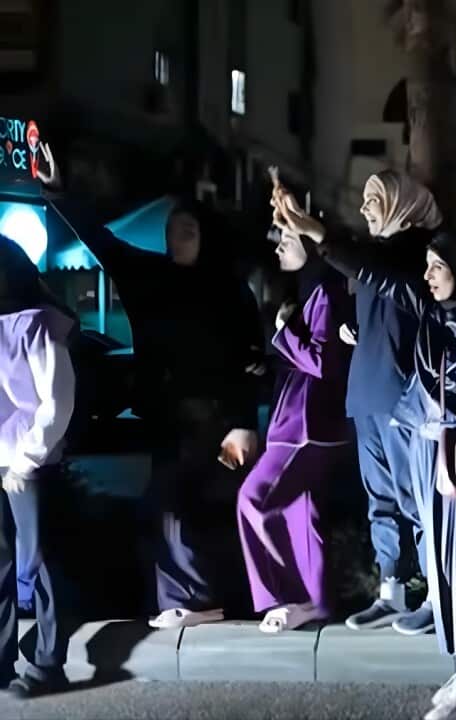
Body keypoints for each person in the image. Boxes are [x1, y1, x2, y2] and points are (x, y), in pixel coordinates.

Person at [275, 192, 456, 720]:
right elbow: (379, 277)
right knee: (452, 568)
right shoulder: (441, 311)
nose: (427, 276)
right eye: (426, 266)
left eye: (438, 267)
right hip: (440, 452)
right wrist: (318, 234)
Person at [40, 145, 263, 630]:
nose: (177, 239)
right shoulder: (151, 278)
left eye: (188, 231)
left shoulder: (228, 290)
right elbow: (102, 242)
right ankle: (183, 600)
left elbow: (251, 363)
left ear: (204, 236)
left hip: (216, 419)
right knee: (165, 509)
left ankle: (203, 600)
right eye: (172, 231)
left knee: (192, 508)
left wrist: (244, 422)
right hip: (166, 414)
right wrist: (60, 195)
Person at [236, 227, 353, 633]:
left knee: (254, 498)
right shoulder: (311, 290)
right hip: (303, 424)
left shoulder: (326, 291)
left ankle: (290, 597)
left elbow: (323, 362)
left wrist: (284, 331)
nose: (279, 247)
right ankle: (313, 600)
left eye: (288, 239)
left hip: (307, 427)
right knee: (300, 510)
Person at [341, 170, 443, 635]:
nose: (365, 208)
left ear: (401, 203)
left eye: (374, 199)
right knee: (380, 500)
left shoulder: (417, 252)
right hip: (367, 389)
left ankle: (438, 596)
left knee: (416, 499)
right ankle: (392, 591)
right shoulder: (377, 252)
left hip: (403, 397)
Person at [0, 234, 75, 699]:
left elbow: (56, 402)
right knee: (3, 562)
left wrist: (26, 460)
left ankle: (49, 664)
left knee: (40, 560)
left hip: (29, 463)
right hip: (5, 461)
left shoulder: (38, 325)